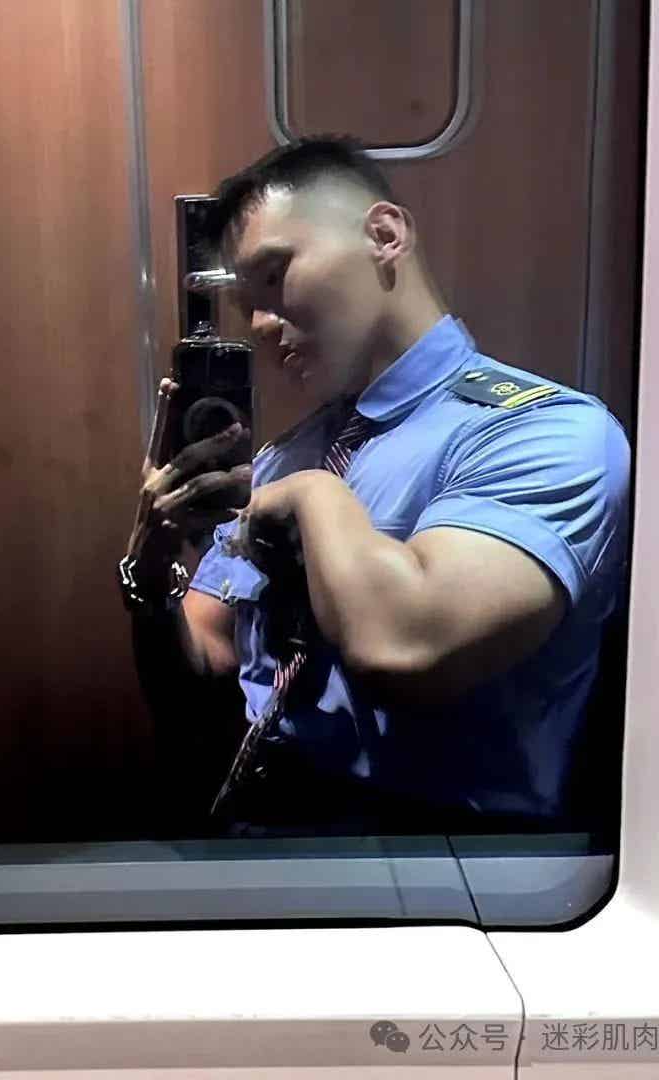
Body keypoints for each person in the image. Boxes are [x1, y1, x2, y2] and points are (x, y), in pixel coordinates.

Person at [119, 136, 630, 837]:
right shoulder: (287, 455)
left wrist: (316, 498)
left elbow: (403, 645)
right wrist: (150, 577)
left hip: (444, 859)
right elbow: (208, 661)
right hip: (261, 832)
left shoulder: (546, 433)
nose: (261, 325)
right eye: (247, 303)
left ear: (385, 236)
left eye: (276, 275)